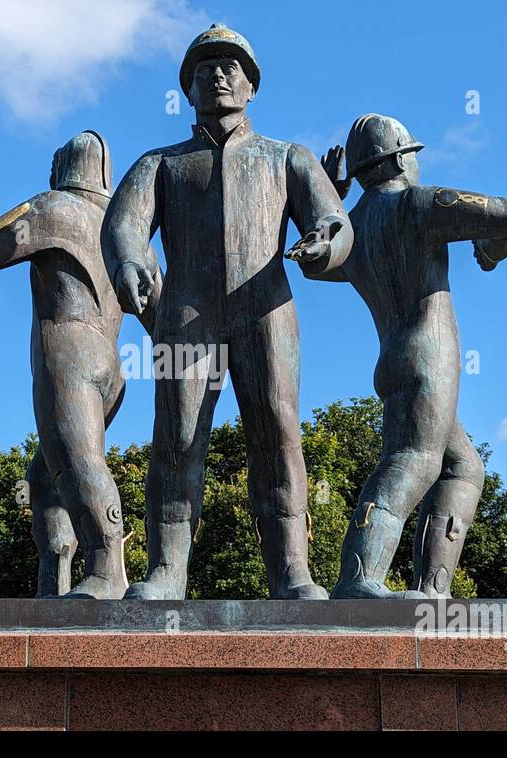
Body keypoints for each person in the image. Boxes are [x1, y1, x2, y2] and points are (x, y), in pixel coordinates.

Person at [102, 24, 351, 600]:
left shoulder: (287, 156)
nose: (217, 74)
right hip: (186, 313)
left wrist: (324, 242)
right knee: (176, 438)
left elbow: (335, 222)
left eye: (230, 66)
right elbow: (122, 226)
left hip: (265, 306)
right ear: (187, 88)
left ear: (251, 85)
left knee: (277, 430)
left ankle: (292, 571)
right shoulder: (161, 163)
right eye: (204, 68)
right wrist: (130, 263)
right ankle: (167, 571)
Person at [313, 114, 507, 598]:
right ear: (403, 158)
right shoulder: (416, 204)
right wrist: (491, 252)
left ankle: (432, 590)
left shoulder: (355, 226)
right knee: (413, 460)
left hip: (393, 359)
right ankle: (359, 579)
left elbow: (318, 267)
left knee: (463, 468)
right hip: (429, 356)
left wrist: (332, 203)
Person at [0, 131, 158, 598]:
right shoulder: (130, 236)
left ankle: (107, 569)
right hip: (111, 367)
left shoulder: (53, 208)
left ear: (60, 168)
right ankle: (54, 581)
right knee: (46, 476)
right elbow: (161, 314)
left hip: (67, 351)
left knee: (75, 461)